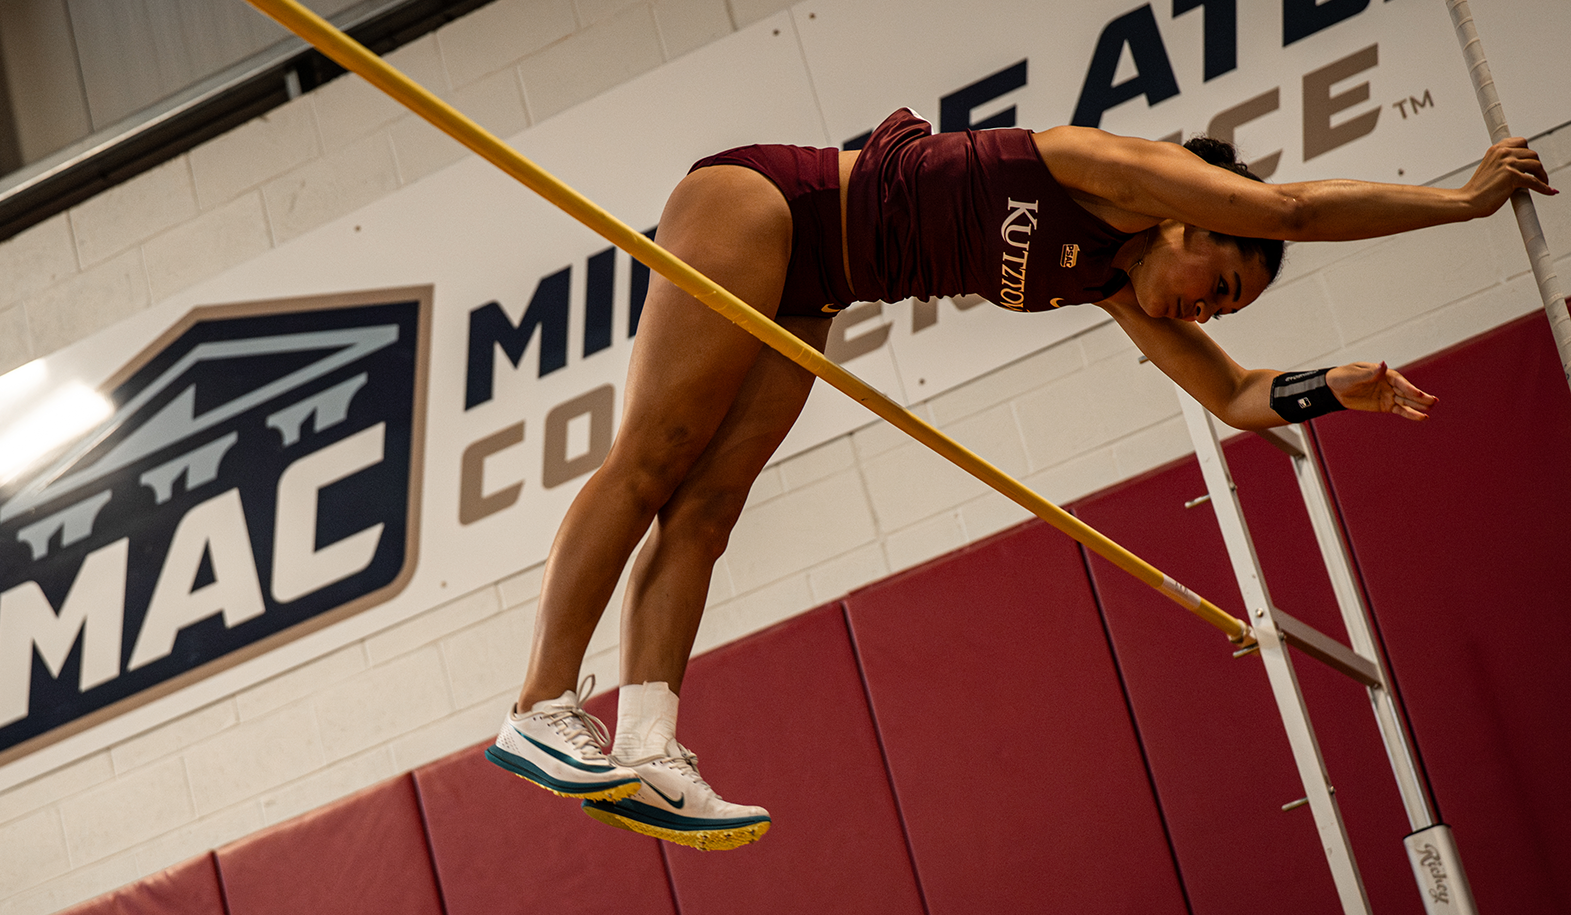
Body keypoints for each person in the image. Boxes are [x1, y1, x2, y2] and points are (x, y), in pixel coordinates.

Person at [483, 107, 1554, 851]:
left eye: (1226, 308)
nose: (1209, 308)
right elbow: (1293, 212)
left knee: (709, 511)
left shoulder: (1119, 284)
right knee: (657, 460)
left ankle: (649, 744)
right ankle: (540, 705)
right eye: (1218, 280)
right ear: (1192, 215)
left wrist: (1337, 387)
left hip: (821, 279)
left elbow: (1232, 398)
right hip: (766, 203)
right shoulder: (1110, 169)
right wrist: (1459, 205)